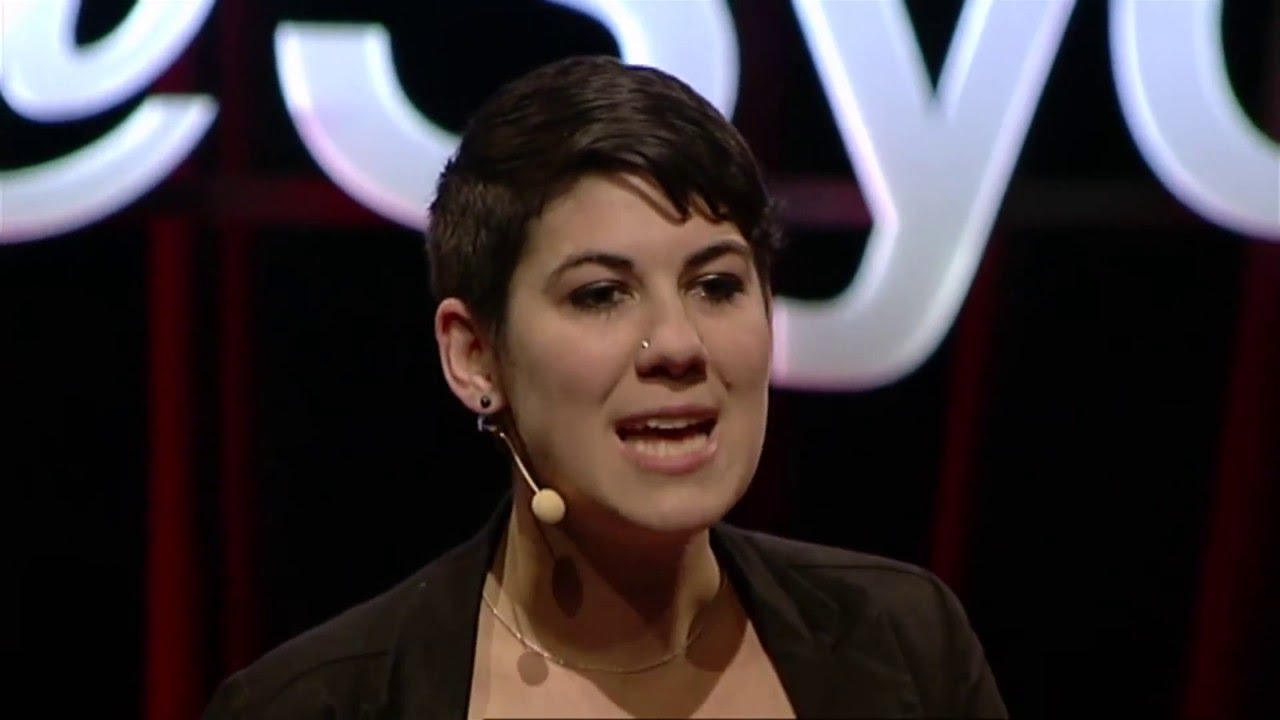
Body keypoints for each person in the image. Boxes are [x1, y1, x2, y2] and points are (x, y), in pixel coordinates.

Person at [203, 55, 1007, 719]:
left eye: (717, 285)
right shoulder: (318, 704)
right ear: (475, 356)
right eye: (600, 294)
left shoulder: (904, 644)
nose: (679, 346)